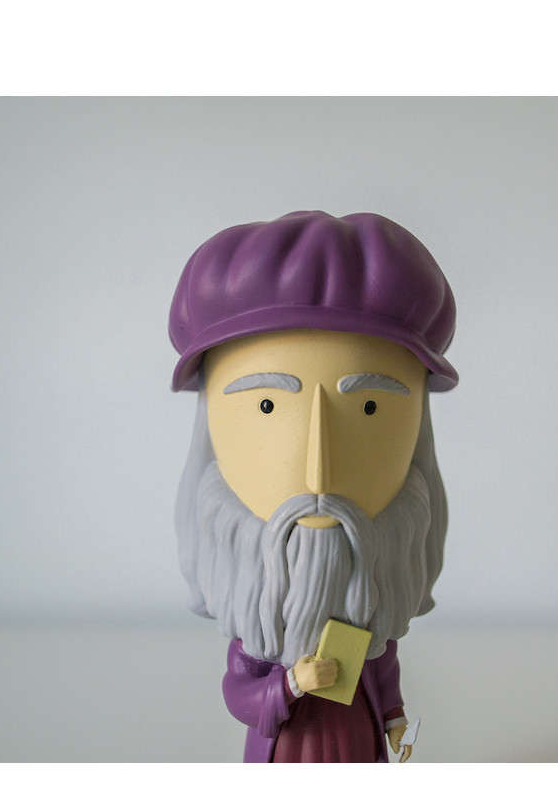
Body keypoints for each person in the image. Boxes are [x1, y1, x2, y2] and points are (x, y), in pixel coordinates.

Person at [169, 210, 457, 762]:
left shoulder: (371, 615)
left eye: (370, 408)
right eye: (267, 405)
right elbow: (239, 692)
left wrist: (395, 719)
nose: (318, 476)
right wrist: (290, 684)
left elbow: (383, 672)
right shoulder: (260, 631)